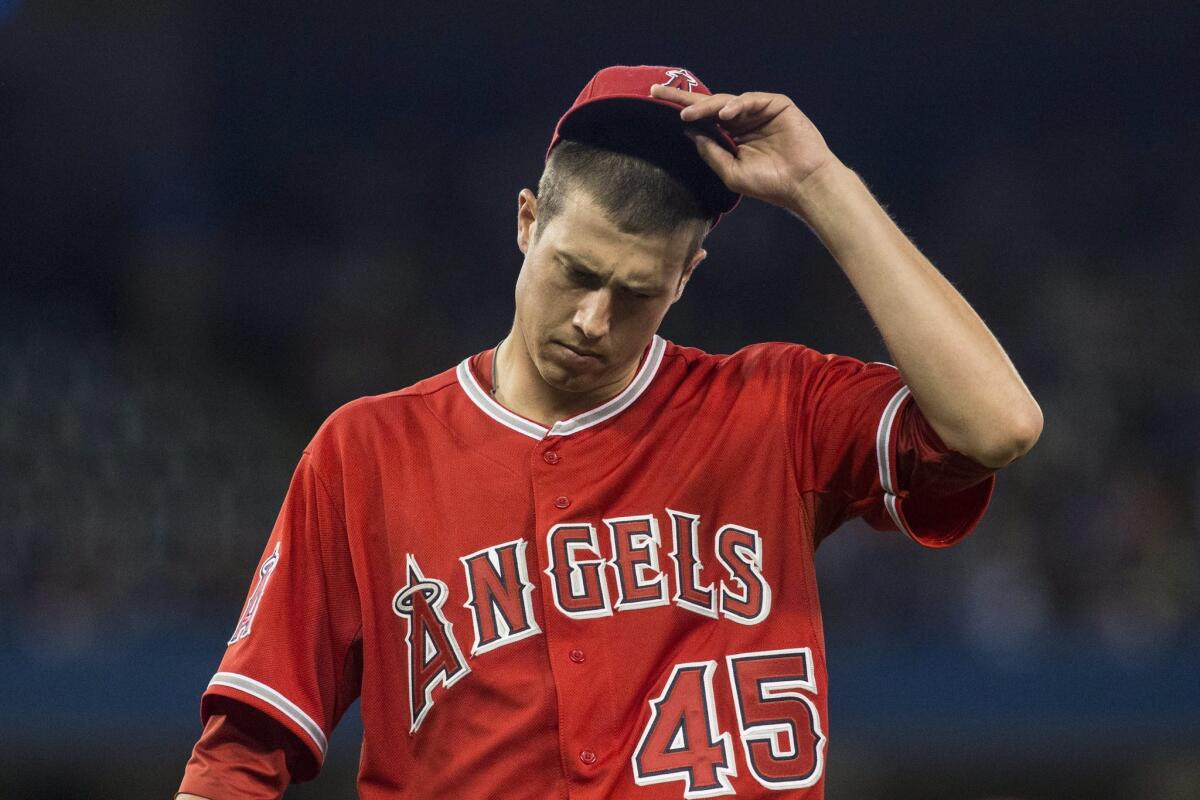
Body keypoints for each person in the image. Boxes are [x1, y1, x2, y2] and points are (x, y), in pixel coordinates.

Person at [176, 64, 1041, 799]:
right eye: (575, 273)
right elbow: (245, 748)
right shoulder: (367, 451)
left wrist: (822, 186)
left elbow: (996, 426)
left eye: (635, 292)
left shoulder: (775, 410)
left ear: (687, 277)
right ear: (526, 222)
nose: (593, 320)